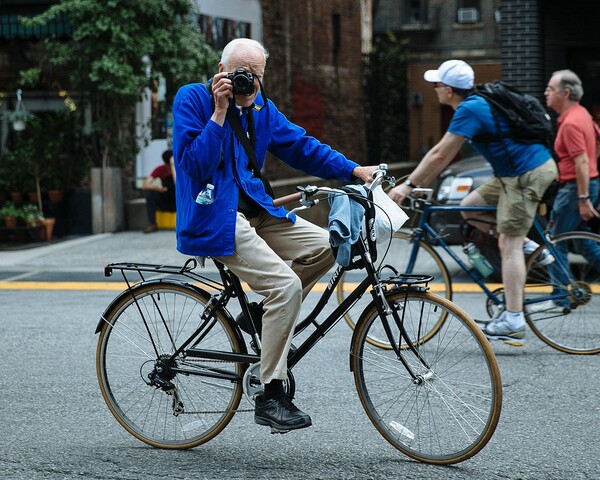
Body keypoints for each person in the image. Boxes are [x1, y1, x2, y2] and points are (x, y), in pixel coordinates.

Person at [171, 38, 377, 432]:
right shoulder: (192, 99)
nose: (249, 82)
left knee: (332, 244)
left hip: (258, 211)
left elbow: (302, 147)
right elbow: (194, 166)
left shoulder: (263, 110)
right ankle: (270, 393)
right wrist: (220, 111)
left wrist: (354, 170)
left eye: (256, 76)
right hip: (214, 216)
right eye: (241, 74)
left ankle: (264, 316)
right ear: (221, 69)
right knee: (285, 287)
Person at [388, 59, 557, 346]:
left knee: (508, 244)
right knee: (470, 206)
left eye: (437, 85)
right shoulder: (474, 102)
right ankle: (532, 248)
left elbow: (441, 154)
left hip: (527, 174)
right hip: (511, 174)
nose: (435, 89)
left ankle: (514, 319)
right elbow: (440, 155)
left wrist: (409, 185)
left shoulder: (469, 110)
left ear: (449, 90)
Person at [538, 69, 600, 310]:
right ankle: (562, 293)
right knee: (584, 243)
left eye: (550, 89)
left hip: (575, 189)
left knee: (555, 240)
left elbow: (581, 162)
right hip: (588, 185)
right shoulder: (582, 114)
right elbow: (596, 141)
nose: (546, 93)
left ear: (565, 93)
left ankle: (560, 297)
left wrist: (583, 198)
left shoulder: (571, 122)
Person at [141, 149, 176, 233]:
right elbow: (145, 185)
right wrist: (157, 188)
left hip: (177, 199)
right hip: (164, 199)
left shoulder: (179, 168)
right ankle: (152, 224)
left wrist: (173, 167)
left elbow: (177, 184)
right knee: (149, 193)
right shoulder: (160, 169)